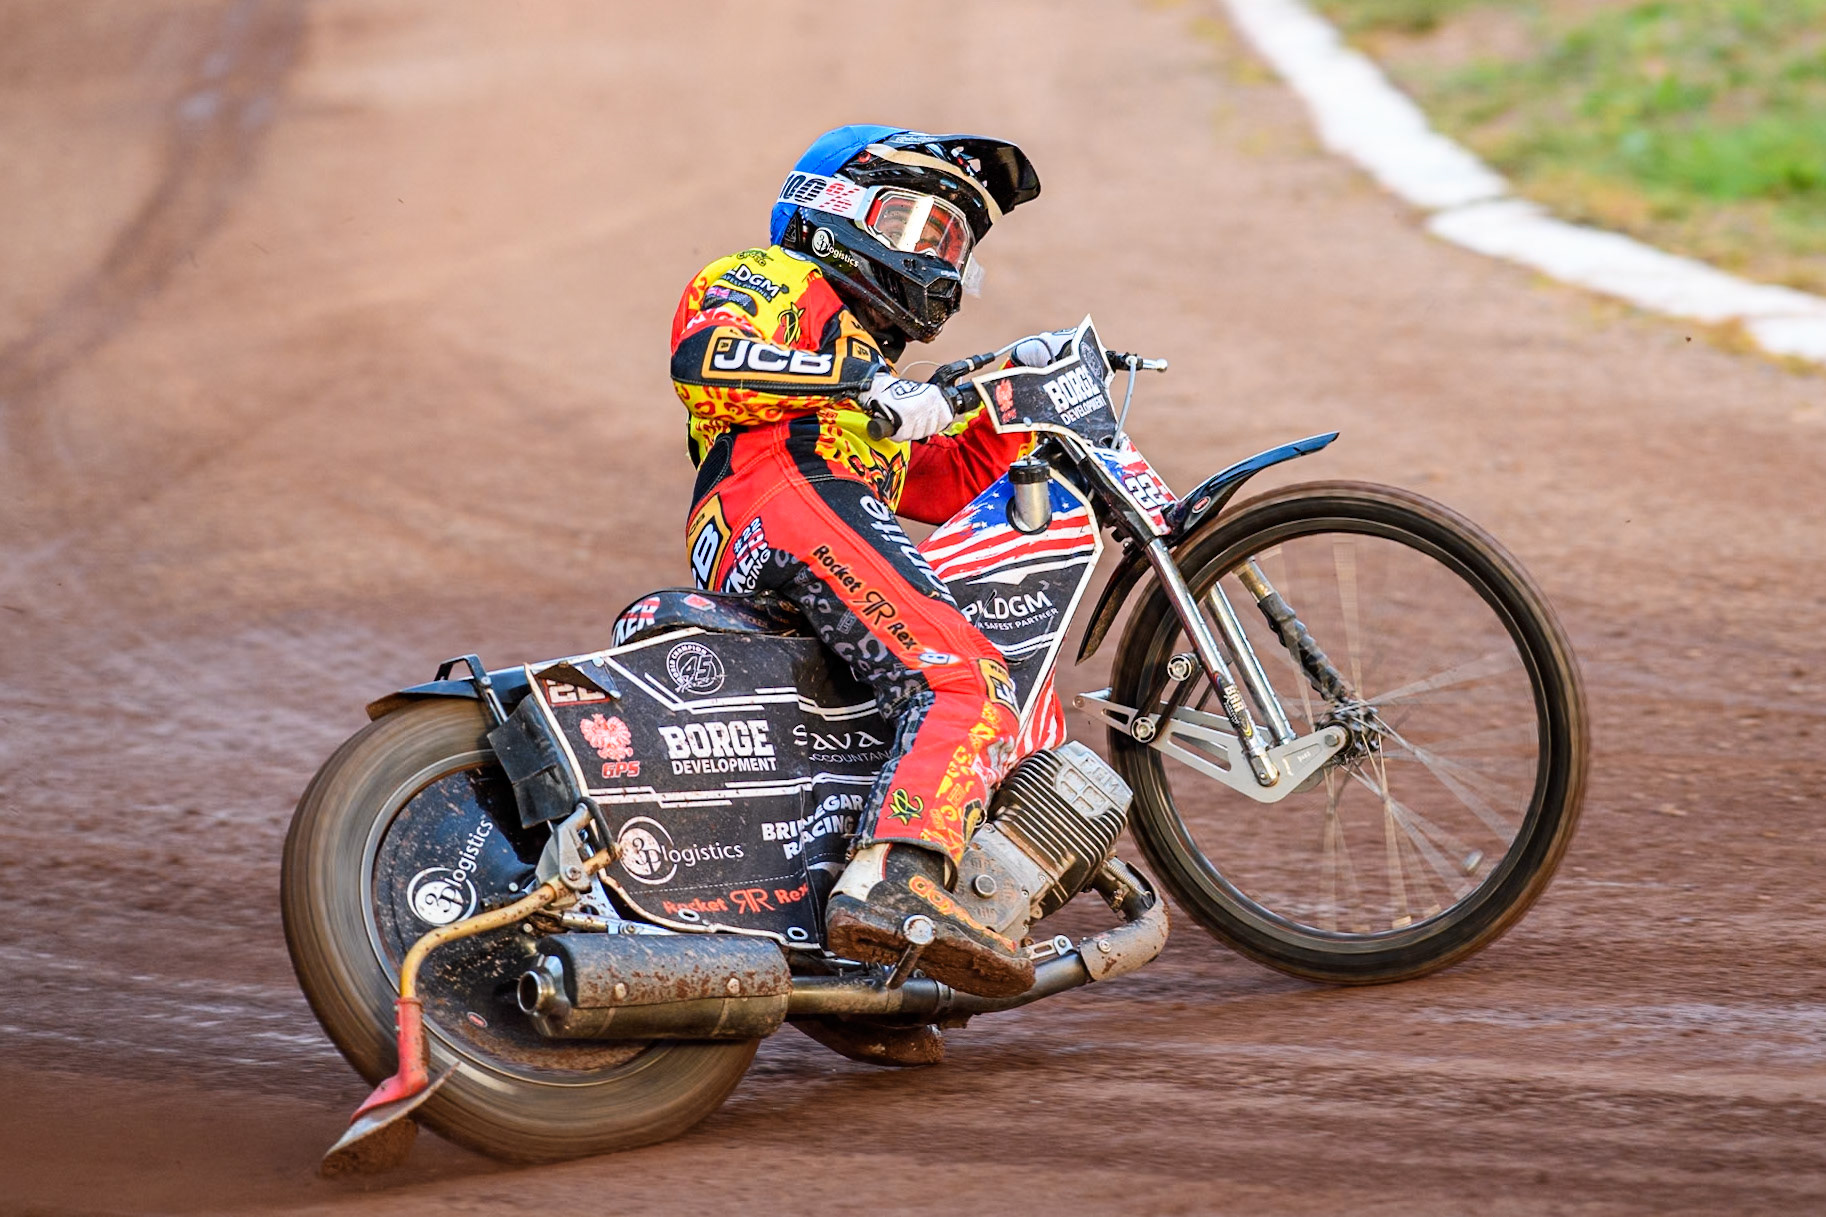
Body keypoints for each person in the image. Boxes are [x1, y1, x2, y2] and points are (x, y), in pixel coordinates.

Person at [669, 125, 1072, 1003]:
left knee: (858, 740)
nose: (939, 260)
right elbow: (707, 359)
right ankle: (895, 888)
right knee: (963, 682)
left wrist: (1015, 401)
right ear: (835, 211)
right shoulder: (773, 279)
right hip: (780, 488)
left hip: (800, 506)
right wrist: (867, 385)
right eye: (920, 228)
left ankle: (858, 974)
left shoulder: (871, 371)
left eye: (953, 244)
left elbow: (933, 484)